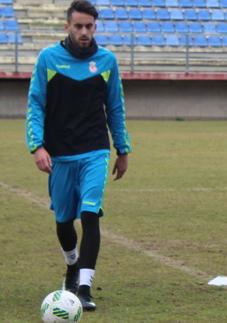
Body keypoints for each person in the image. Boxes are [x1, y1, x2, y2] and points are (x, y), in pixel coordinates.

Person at [26, 0, 132, 311]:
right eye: (78, 26)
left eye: (89, 27)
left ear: (95, 27)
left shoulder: (107, 62)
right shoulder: (48, 59)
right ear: (67, 27)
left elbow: (115, 108)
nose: (84, 32)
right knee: (63, 221)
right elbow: (35, 105)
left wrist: (122, 149)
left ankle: (84, 287)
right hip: (59, 153)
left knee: (90, 213)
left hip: (95, 151)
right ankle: (72, 265)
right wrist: (37, 146)